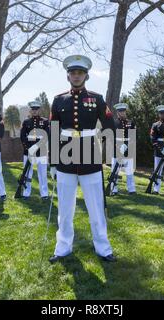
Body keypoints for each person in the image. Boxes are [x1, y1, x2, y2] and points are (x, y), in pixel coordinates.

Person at [48, 55, 116, 263]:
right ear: (68, 75)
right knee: (66, 209)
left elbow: (109, 127)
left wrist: (105, 153)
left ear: (86, 75)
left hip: (90, 156)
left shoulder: (96, 99)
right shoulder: (59, 99)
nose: (76, 76)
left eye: (80, 73)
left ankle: (103, 248)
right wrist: (52, 161)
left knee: (96, 207)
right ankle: (63, 248)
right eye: (73, 73)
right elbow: (53, 130)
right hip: (65, 157)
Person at [19, 101, 50, 200]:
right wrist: (28, 148)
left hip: (41, 151)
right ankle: (26, 193)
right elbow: (23, 136)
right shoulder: (26, 122)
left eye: (36, 109)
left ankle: (44, 194)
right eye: (33, 109)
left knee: (43, 174)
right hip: (28, 151)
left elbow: (47, 136)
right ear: (31, 110)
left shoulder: (45, 121)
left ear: (39, 110)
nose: (35, 111)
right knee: (28, 173)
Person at [110, 102, 136, 195]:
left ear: (125, 112)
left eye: (123, 111)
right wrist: (118, 147)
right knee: (115, 170)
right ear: (117, 113)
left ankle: (131, 189)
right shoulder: (113, 122)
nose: (122, 113)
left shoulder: (131, 122)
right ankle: (114, 189)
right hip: (116, 149)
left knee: (129, 170)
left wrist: (127, 146)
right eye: (120, 112)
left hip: (128, 149)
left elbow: (133, 137)